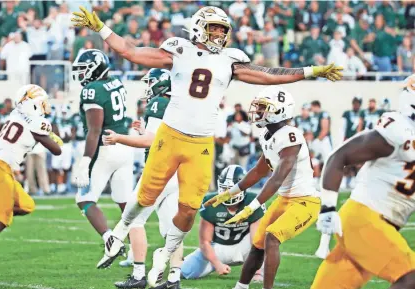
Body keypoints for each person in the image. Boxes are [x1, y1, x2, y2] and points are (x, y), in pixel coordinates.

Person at [71, 6, 342, 287]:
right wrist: (101, 28)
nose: (219, 34)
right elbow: (131, 51)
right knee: (144, 197)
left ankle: (164, 255)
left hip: (200, 144)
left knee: (188, 208)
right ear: (200, 27)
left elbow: (268, 74)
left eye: (223, 30)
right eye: (214, 28)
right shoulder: (179, 49)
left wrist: (311, 71)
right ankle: (120, 230)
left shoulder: (229, 60)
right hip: (170, 135)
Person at [204, 86, 321, 289]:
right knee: (257, 245)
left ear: (280, 110)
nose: (257, 112)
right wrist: (228, 193)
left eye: (263, 107)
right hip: (284, 200)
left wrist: (252, 207)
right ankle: (240, 287)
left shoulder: (291, 135)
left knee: (271, 237)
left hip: (305, 202)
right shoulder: (267, 135)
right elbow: (258, 171)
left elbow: (277, 178)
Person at [311, 75, 415, 289]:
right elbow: (339, 156)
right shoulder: (399, 129)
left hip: (376, 226)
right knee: (410, 277)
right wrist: (328, 207)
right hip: (364, 219)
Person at [98, 68, 180, 288]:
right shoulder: (178, 103)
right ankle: (173, 278)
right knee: (172, 228)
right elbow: (162, 136)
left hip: (158, 171)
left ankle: (138, 275)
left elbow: (151, 142)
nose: (148, 86)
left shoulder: (158, 103)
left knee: (134, 219)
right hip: (177, 172)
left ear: (160, 84)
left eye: (151, 82)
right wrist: (145, 130)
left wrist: (119, 138)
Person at [0, 85, 62, 259]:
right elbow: (57, 150)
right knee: (3, 218)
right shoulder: (38, 124)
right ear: (33, 105)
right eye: (41, 103)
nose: (44, 105)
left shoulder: (15, 114)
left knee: (26, 205)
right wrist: (53, 137)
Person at [71, 49, 135, 254]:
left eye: (84, 69)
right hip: (124, 145)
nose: (81, 74)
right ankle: (136, 251)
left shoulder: (92, 89)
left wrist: (85, 161)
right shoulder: (115, 82)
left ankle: (110, 240)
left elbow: (95, 130)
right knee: (125, 203)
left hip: (106, 148)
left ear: (95, 68)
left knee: (84, 199)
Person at [181, 165, 264, 281]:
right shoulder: (211, 203)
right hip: (218, 249)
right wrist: (217, 264)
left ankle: (259, 271)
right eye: (224, 188)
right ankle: (195, 263)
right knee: (185, 272)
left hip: (244, 248)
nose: (228, 192)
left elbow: (256, 241)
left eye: (232, 188)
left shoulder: (252, 202)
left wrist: (257, 271)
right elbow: (205, 242)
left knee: (265, 239)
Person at [340, 97, 363, 188]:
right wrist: (343, 139)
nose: (356, 105)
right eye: (355, 103)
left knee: (358, 161)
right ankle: (345, 179)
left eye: (358, 103)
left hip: (359, 141)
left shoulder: (363, 113)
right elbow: (342, 128)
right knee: (346, 161)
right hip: (348, 140)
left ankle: (354, 178)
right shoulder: (347, 114)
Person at [51, 104, 73, 194]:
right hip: (58, 145)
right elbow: (54, 131)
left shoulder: (71, 121)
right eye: (62, 112)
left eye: (65, 112)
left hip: (67, 145)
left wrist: (66, 136)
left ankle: (62, 186)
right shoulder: (56, 120)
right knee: (55, 166)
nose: (64, 114)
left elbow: (72, 134)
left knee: (66, 167)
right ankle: (54, 185)